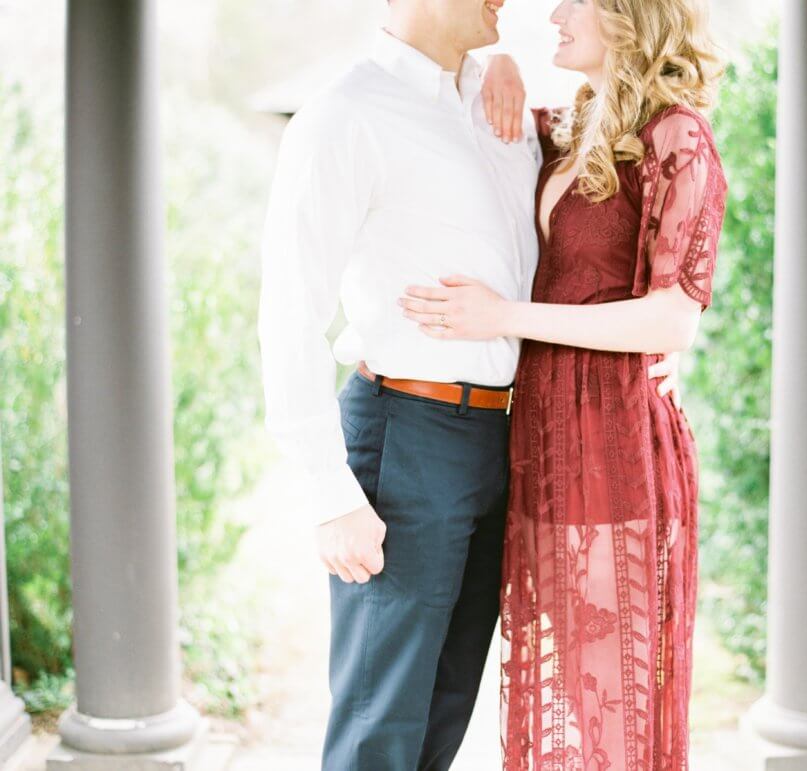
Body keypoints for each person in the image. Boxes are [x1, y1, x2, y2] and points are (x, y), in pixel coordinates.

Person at [256, 0, 678, 768]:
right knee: (378, 720)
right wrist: (330, 493)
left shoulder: (497, 103)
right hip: (406, 431)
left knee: (445, 705)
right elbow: (289, 313)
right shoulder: (345, 115)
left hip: (501, 438)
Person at [398, 0, 728, 767]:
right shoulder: (572, 127)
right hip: (543, 438)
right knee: (573, 699)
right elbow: (478, 101)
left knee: (612, 706)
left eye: (574, 0)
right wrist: (502, 63)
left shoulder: (676, 136)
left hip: (616, 441)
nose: (552, 12)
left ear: (630, 14)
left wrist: (503, 316)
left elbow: (673, 321)